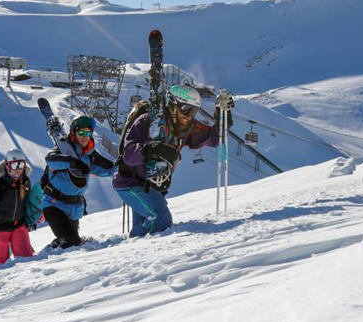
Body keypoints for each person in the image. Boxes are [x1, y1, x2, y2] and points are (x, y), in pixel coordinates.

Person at [113, 85, 233, 237]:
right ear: (172, 105)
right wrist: (153, 149)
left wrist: (223, 115)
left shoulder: (184, 128)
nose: (189, 116)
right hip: (131, 183)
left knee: (145, 228)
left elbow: (215, 138)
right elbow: (128, 155)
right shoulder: (147, 121)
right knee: (161, 218)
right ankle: (135, 247)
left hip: (153, 186)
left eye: (193, 111)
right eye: (186, 109)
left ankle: (136, 250)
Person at [41, 115, 115, 248]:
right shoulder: (64, 149)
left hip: (75, 208)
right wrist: (72, 162)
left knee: (75, 243)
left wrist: (126, 165)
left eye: (88, 132)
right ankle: (46, 257)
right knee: (69, 241)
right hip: (54, 205)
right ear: (74, 133)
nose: (85, 136)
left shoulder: (90, 155)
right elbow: (50, 159)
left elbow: (109, 169)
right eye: (81, 132)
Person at [0, 149, 36, 265]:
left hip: (18, 225)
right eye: (15, 165)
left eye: (21, 164)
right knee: (1, 265)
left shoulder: (25, 182)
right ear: (8, 166)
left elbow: (26, 203)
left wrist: (30, 220)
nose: (18, 169)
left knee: (27, 260)